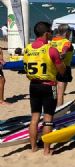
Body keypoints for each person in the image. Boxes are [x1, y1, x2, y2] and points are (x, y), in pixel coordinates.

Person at [24, 21, 66, 155]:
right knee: (48, 118)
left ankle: (33, 147)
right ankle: (47, 150)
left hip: (33, 85)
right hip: (48, 86)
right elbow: (62, 71)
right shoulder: (51, 50)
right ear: (46, 33)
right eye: (51, 33)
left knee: (34, 117)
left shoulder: (28, 48)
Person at [50, 24, 74, 106]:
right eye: (70, 32)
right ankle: (59, 111)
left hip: (52, 68)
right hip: (63, 68)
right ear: (67, 32)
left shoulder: (52, 41)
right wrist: (61, 55)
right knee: (60, 93)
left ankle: (52, 108)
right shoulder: (67, 42)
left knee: (54, 92)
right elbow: (64, 51)